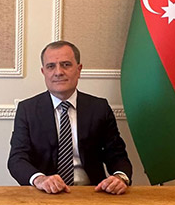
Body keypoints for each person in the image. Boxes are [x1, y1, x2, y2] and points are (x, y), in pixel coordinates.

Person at [8, 40, 132, 195]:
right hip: (44, 194)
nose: (58, 72)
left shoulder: (99, 108)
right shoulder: (27, 110)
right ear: (43, 72)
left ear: (79, 70)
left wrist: (120, 177)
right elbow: (17, 159)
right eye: (51, 66)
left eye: (66, 65)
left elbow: (117, 155)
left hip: (92, 193)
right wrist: (40, 179)